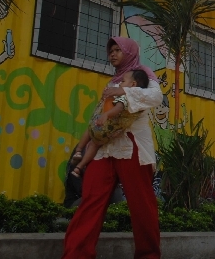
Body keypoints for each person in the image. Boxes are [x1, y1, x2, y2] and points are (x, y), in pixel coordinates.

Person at [62, 37, 163, 259]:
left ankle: (148, 255)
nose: (113, 54)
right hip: (104, 148)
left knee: (141, 204)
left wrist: (122, 92)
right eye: (111, 51)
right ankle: (76, 254)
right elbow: (102, 113)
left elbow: (156, 96)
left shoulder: (141, 72)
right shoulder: (113, 81)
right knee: (90, 199)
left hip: (133, 145)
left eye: (118, 50)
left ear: (129, 52)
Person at [70, 69, 150, 177]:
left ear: (133, 84)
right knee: (94, 144)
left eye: (123, 81)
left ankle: (79, 151)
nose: (120, 84)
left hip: (103, 126)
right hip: (109, 134)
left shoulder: (127, 98)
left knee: (89, 131)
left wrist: (106, 115)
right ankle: (79, 167)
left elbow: (119, 107)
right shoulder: (138, 104)